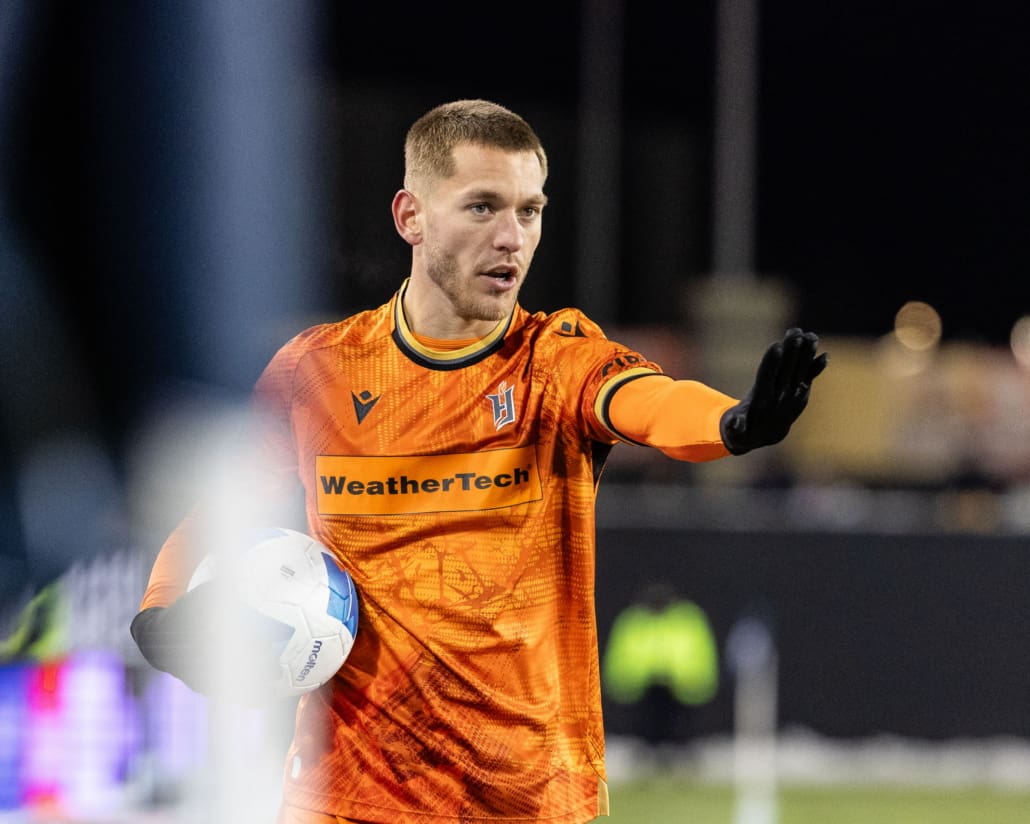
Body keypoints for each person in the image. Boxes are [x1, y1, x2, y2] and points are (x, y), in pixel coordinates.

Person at [131, 99, 828, 823]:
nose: (512, 238)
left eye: (530, 211)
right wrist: (160, 614)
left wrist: (733, 425)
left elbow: (648, 402)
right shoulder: (318, 372)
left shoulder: (554, 361)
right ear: (411, 216)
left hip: (528, 803)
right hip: (349, 799)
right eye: (483, 207)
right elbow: (223, 503)